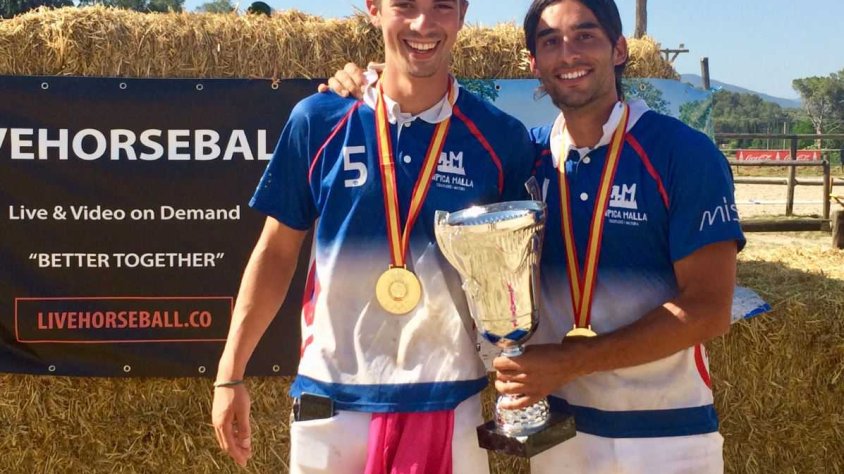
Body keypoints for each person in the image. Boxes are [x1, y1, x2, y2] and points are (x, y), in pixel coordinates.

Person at [323, 0, 745, 472]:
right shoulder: (528, 156)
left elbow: (709, 310)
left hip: (666, 435)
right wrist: (373, 82)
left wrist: (570, 362)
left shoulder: (683, 154)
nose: (568, 54)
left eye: (585, 35)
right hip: (557, 435)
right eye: (550, 42)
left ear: (619, 49)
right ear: (533, 63)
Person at [211, 0, 533, 473]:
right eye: (405, 5)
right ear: (374, 8)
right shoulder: (319, 119)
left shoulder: (500, 137)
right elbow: (276, 252)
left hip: (447, 401)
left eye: (441, 6)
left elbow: (518, 274)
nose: (423, 24)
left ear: (462, 13)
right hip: (330, 402)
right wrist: (229, 374)